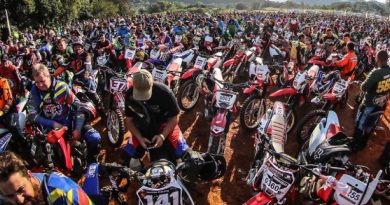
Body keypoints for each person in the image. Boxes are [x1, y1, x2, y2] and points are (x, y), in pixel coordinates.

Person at [28, 64, 101, 162]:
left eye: (42, 81)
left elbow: (78, 107)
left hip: (70, 123)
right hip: (50, 129)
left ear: (48, 76)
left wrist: (78, 128)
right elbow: (32, 115)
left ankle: (92, 161)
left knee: (95, 137)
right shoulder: (34, 92)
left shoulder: (62, 86)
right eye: (37, 82)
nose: (40, 85)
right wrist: (53, 124)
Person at [122, 69, 189, 163]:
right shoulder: (129, 95)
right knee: (126, 158)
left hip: (164, 127)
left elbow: (174, 117)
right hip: (143, 130)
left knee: (185, 155)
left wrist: (162, 136)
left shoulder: (165, 92)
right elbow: (129, 120)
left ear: (152, 84)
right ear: (134, 86)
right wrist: (140, 138)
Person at [0, 151, 93, 205]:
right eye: (10, 196)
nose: (19, 201)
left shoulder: (64, 196)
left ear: (29, 175)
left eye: (21, 190)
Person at [352, 50, 390, 151]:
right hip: (381, 105)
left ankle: (355, 144)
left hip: (369, 104)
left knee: (360, 123)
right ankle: (363, 144)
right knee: (371, 125)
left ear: (377, 59)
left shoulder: (376, 72)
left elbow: (363, 87)